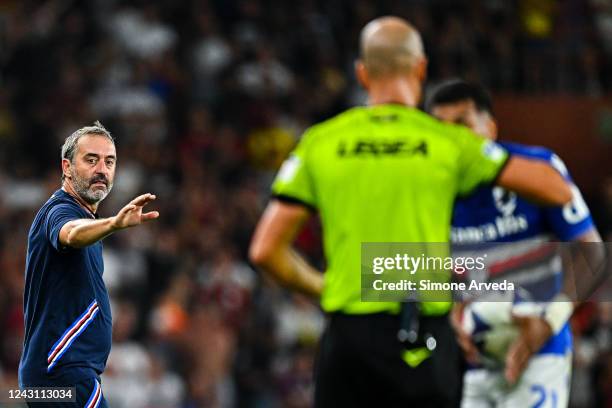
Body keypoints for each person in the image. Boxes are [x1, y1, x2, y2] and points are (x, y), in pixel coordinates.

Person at [249, 16, 572, 407]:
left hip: (350, 340)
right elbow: (555, 189)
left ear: (362, 74)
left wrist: (323, 286)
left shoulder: (320, 142)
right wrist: (486, 159)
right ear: (420, 68)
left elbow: (265, 251)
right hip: (425, 340)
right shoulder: (447, 143)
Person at [425, 79, 602, 408]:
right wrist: (449, 314)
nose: (452, 138)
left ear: (490, 128)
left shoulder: (537, 171)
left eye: (462, 124)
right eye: (441, 128)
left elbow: (591, 254)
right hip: (471, 363)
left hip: (540, 353)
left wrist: (547, 323)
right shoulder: (428, 192)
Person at [18, 122, 159, 407]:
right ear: (67, 167)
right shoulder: (59, 210)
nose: (102, 170)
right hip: (62, 371)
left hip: (59, 373)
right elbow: (70, 232)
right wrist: (114, 223)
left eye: (109, 162)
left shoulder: (87, 218)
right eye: (91, 160)